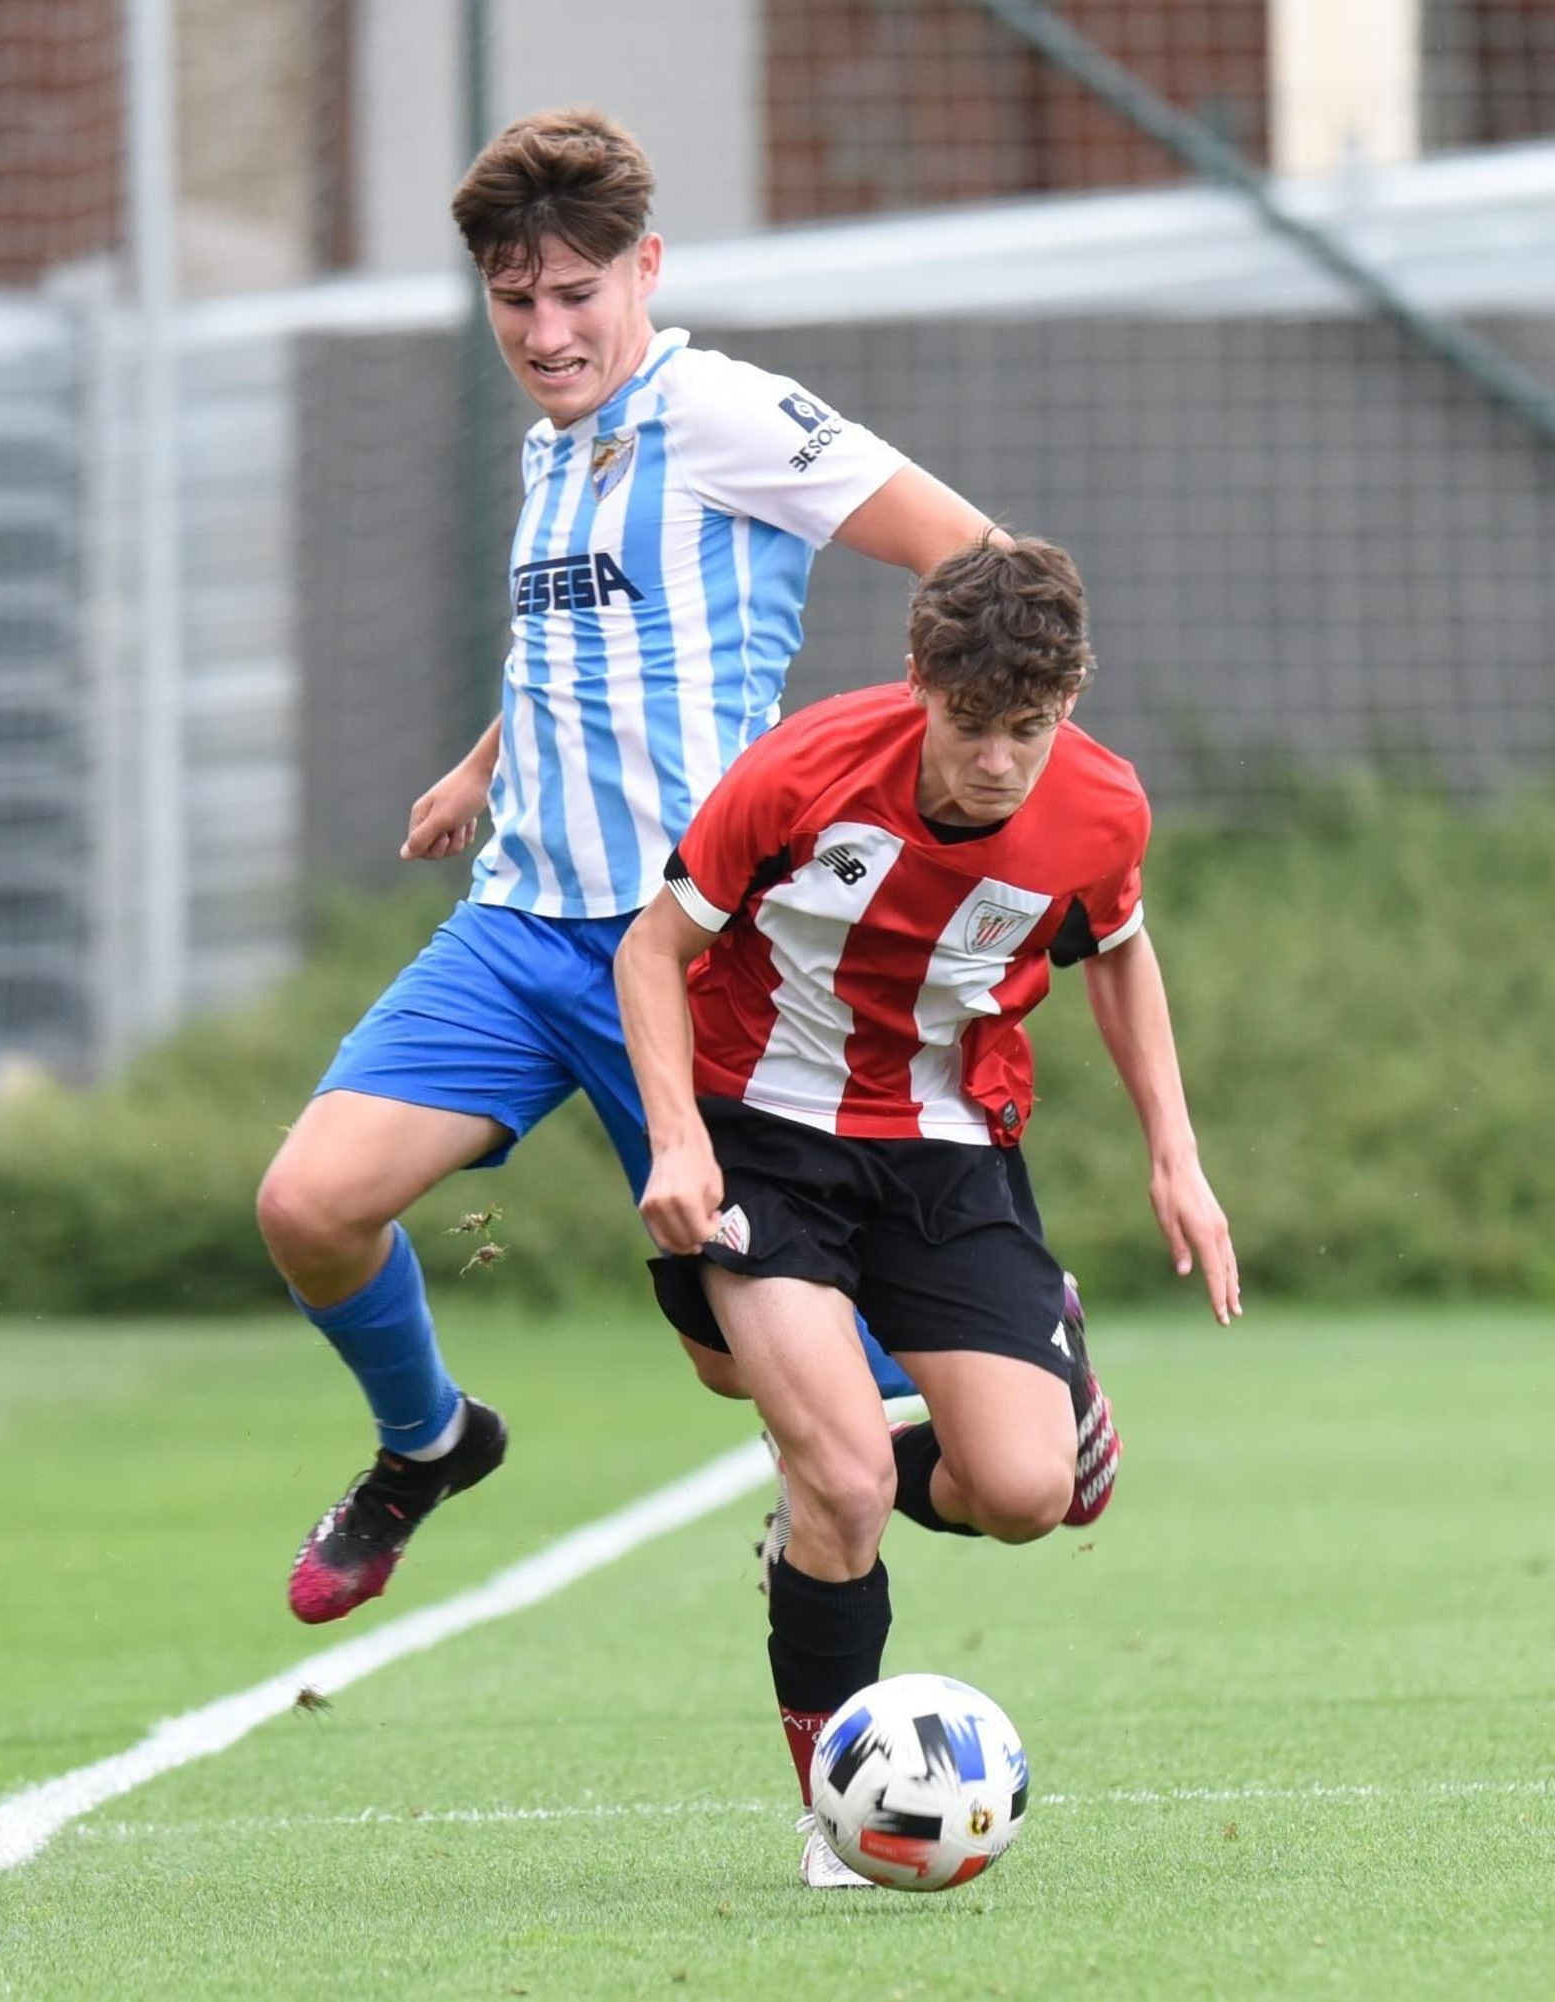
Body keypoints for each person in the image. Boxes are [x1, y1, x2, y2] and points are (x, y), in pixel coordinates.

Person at [256, 105, 1014, 1627]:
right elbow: (584, 643)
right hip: (520, 930)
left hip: (690, 951)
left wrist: (883, 775)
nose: (545, 330)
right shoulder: (557, 447)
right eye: (513, 301)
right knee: (309, 1202)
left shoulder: (724, 416)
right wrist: (483, 765)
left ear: (645, 268)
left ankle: (1022, 1378)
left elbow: (976, 558)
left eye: (575, 294)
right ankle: (430, 1440)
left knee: (773, 1380)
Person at [613, 534, 1239, 1888]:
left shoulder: (1100, 807)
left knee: (1023, 1492)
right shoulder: (801, 772)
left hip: (949, 1150)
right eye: (973, 724)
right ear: (920, 681)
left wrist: (1174, 1156)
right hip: (761, 1141)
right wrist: (673, 1140)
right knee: (829, 1466)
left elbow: (1119, 955)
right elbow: (651, 948)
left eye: (1034, 726)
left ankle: (869, 1452)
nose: (1002, 760)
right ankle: (832, 1810)